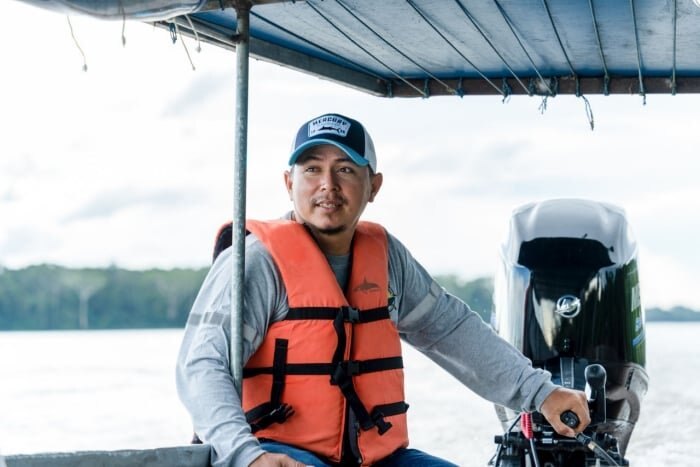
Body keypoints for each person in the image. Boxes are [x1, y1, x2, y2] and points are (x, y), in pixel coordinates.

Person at [176, 113, 591, 467]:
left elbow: (450, 330)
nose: (327, 185)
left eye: (345, 169)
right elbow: (202, 365)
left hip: (375, 458)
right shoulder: (256, 263)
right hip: (278, 454)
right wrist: (245, 455)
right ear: (289, 182)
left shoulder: (386, 258)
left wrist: (541, 392)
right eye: (312, 169)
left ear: (373, 186)